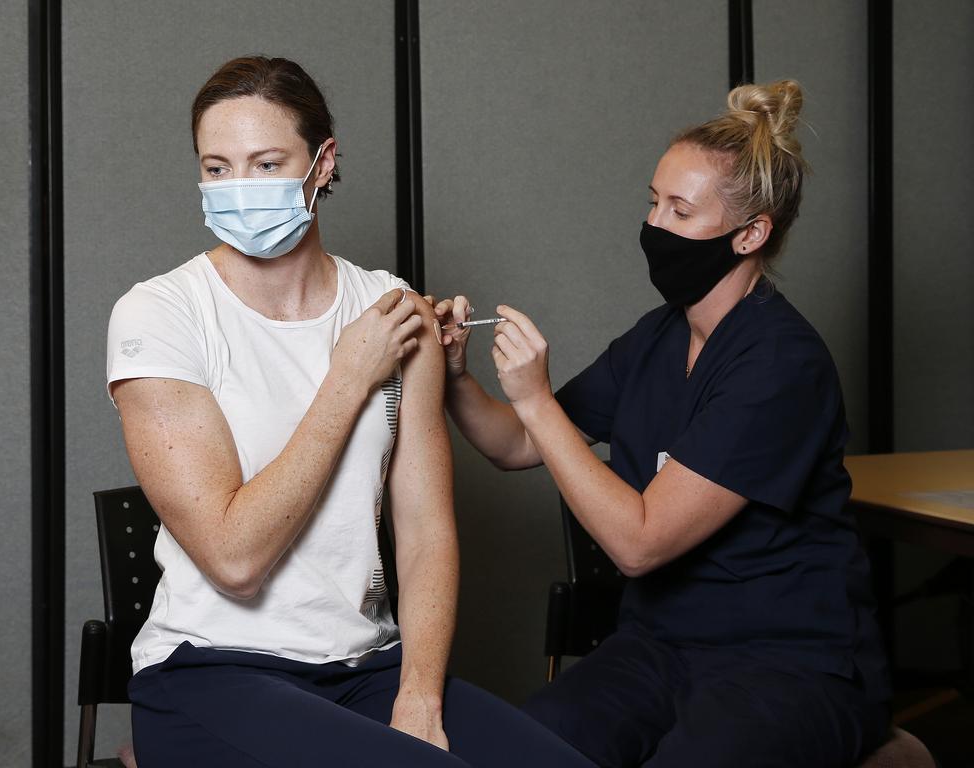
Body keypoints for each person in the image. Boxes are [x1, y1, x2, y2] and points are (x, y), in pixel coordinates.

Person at [106, 55, 592, 768]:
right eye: (217, 168)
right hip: (212, 671)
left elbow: (425, 531)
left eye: (267, 163)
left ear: (323, 162)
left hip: (368, 669)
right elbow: (235, 558)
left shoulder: (392, 310)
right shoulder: (161, 315)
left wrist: (419, 697)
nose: (239, 188)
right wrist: (347, 379)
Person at [433, 80, 891, 767]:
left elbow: (638, 544)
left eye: (680, 210)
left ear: (751, 233)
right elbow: (520, 444)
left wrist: (534, 397)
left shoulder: (781, 365)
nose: (655, 225)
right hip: (657, 646)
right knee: (522, 749)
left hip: (787, 661)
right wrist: (457, 376)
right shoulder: (657, 337)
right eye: (653, 202)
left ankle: (889, 745)